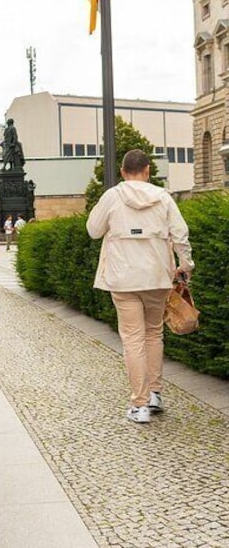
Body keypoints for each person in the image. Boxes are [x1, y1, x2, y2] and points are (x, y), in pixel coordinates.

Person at [86, 149, 194, 424]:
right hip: (157, 275)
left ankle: (140, 404)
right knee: (153, 333)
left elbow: (93, 230)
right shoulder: (164, 197)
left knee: (133, 337)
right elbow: (180, 235)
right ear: (147, 170)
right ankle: (155, 393)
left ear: (123, 172)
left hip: (123, 278)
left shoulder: (112, 196)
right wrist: (186, 265)